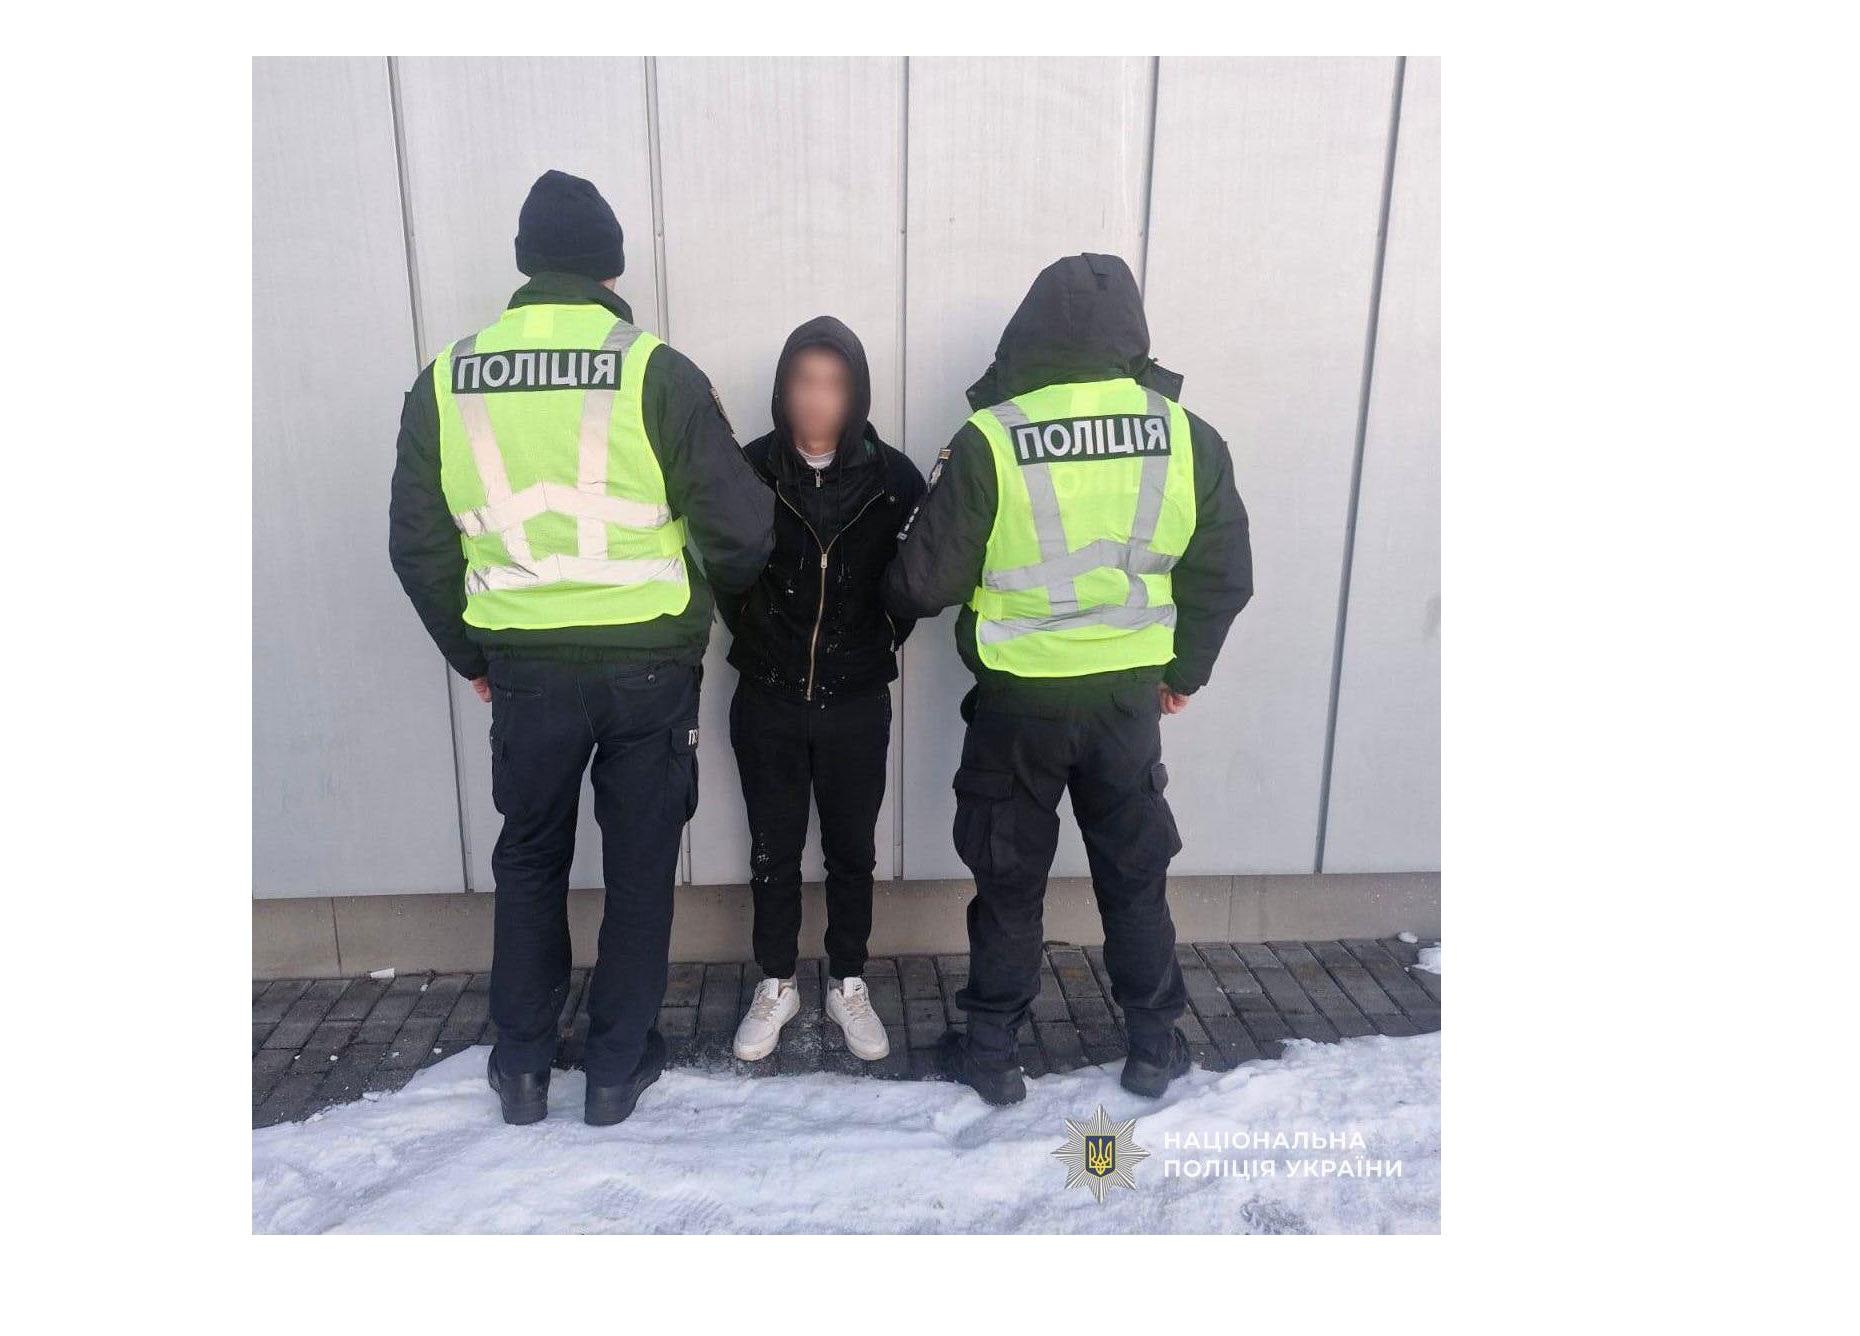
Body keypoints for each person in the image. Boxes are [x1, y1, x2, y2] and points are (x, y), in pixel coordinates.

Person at [389, 170, 773, 1126]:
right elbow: (742, 532)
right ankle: (613, 1073)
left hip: (523, 669)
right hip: (647, 666)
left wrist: (473, 655)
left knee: (528, 860)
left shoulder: (448, 378)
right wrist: (705, 610)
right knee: (639, 869)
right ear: (612, 268)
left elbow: (417, 544)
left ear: (526, 264)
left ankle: (522, 1069)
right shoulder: (655, 371)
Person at [882, 253, 1254, 1106]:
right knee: (1135, 876)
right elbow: (1225, 574)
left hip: (1020, 705)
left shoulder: (994, 436)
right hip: (1127, 703)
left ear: (1031, 328)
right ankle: (1153, 1045)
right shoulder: (1186, 435)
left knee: (1009, 883)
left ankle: (992, 1054)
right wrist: (1184, 671)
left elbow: (921, 584)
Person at [716, 317, 927, 1064]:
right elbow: (725, 572)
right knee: (771, 849)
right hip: (767, 698)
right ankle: (777, 981)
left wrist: (876, 642)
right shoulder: (748, 469)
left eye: (834, 383)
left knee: (851, 851)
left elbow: (912, 581)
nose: (817, 397)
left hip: (856, 700)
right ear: (783, 388)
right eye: (804, 380)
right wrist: (763, 636)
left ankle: (847, 982)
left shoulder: (893, 478)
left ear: (856, 392)